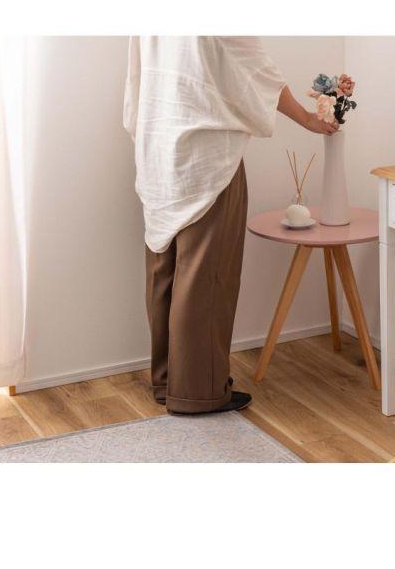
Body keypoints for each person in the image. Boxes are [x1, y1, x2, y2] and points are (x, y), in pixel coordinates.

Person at [123, 37, 337, 414]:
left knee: (165, 269)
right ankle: (198, 392)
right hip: (206, 154)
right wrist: (306, 118)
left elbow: (139, 75)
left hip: (159, 143)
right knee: (207, 276)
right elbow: (254, 68)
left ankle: (169, 381)